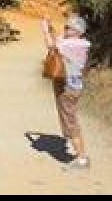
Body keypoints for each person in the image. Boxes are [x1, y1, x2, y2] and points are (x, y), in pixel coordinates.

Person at [43, 15, 91, 171]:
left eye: (68, 28)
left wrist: (44, 29)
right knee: (70, 119)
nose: (65, 29)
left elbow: (51, 45)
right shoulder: (79, 44)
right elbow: (60, 40)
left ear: (77, 31)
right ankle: (81, 155)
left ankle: (82, 158)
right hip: (73, 87)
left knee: (70, 122)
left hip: (67, 88)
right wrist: (51, 27)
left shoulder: (71, 45)